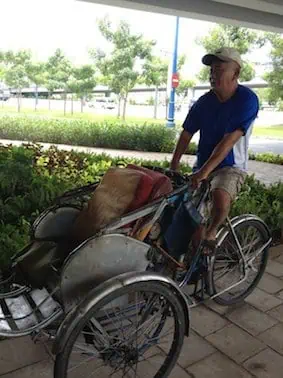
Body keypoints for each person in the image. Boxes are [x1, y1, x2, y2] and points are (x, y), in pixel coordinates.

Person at [170, 47, 259, 250]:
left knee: (220, 195)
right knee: (193, 218)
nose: (212, 74)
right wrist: (173, 165)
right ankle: (196, 264)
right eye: (211, 70)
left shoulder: (247, 100)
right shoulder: (204, 102)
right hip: (203, 165)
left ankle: (213, 232)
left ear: (235, 73)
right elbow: (186, 134)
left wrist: (204, 172)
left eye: (219, 69)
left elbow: (228, 142)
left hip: (231, 166)